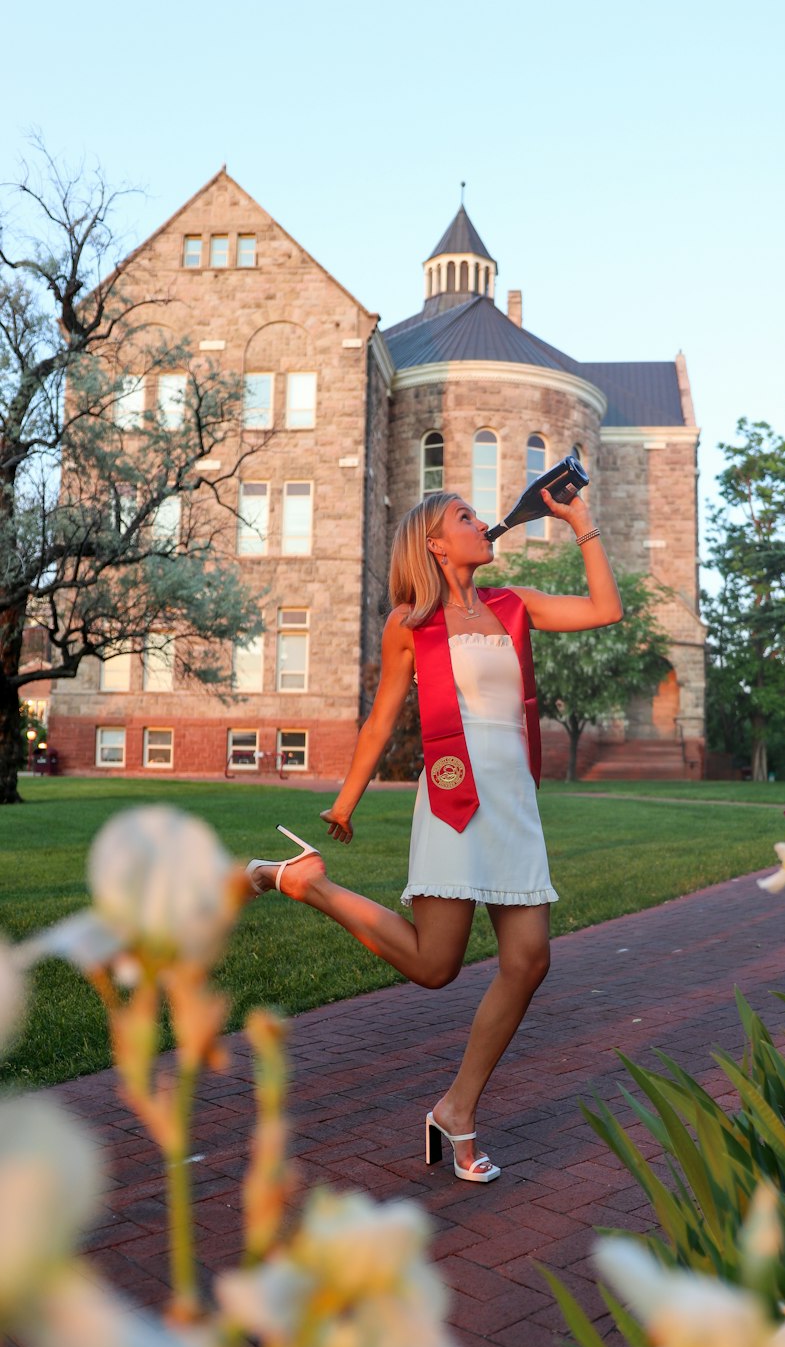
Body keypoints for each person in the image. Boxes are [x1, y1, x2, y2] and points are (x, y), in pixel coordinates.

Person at [246, 485, 622, 1183]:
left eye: (480, 516)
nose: (483, 525)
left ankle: (456, 1108)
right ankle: (308, 882)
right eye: (465, 518)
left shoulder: (515, 604)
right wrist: (346, 802)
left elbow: (607, 609)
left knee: (530, 960)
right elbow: (383, 719)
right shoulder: (409, 623)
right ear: (435, 544)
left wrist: (581, 522)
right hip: (455, 795)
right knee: (434, 965)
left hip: (513, 800)